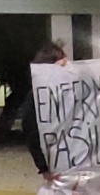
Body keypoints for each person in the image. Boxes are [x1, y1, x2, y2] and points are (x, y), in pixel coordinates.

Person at [22, 42, 67, 182]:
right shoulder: (37, 96)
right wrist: (43, 166)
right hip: (57, 163)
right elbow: (31, 130)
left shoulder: (75, 90)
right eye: (61, 59)